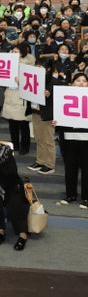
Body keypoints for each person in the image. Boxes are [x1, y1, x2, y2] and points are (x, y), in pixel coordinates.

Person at [55, 72, 88, 208]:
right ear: (72, 83)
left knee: (87, 170)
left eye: (84, 81)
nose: (81, 83)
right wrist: (56, 122)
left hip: (86, 140)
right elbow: (59, 116)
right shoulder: (63, 96)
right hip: (68, 139)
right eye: (78, 80)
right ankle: (70, 195)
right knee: (70, 169)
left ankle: (86, 198)